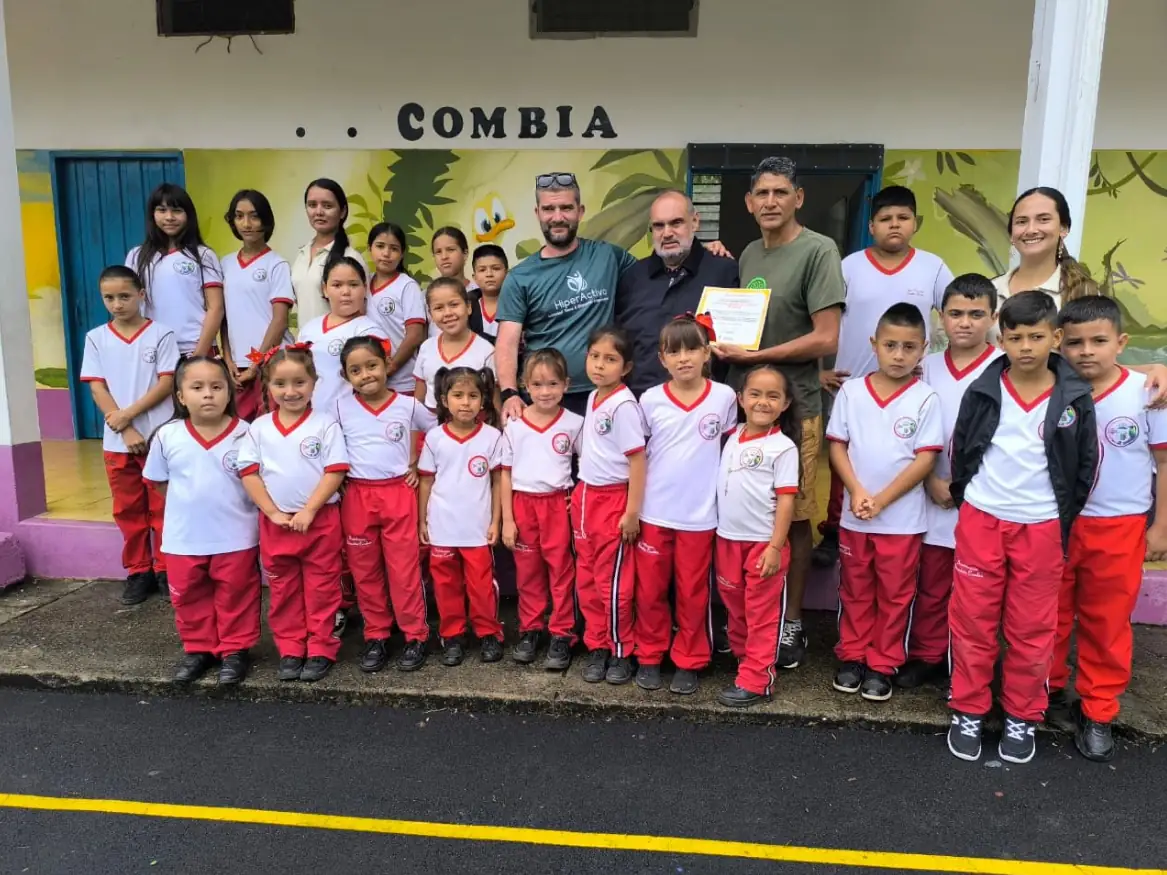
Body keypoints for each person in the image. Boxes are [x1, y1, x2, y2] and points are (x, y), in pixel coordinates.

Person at [947, 291, 1098, 765]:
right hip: (983, 518)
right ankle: (968, 708)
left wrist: (1058, 518)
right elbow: (963, 448)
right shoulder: (983, 389)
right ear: (1001, 339)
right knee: (973, 622)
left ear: (1056, 337)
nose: (1026, 346)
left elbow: (1084, 466)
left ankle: (1021, 715)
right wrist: (968, 498)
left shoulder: (1073, 396)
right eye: (1015, 338)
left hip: (1041, 526)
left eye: (1036, 336)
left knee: (1033, 629)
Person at [712, 156, 846, 671]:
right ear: (749, 203)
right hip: (747, 409)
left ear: (798, 198)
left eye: (779, 192)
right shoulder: (748, 253)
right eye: (761, 194)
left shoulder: (819, 250)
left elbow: (826, 337)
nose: (770, 202)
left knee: (794, 518)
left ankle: (790, 623)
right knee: (744, 506)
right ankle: (749, 617)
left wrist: (755, 359)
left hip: (797, 409)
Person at [1050, 296, 1167, 762]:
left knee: (1106, 621)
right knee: (1049, 616)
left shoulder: (1147, 392)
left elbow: (1163, 461)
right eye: (1074, 342)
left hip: (1119, 526)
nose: (1086, 351)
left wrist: (1160, 526)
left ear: (1121, 343)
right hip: (1057, 524)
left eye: (1099, 341)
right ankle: (1047, 692)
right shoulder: (1052, 387)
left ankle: (1098, 709)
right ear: (1059, 344)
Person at [815, 185, 954, 565]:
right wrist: (820, 371)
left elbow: (957, 313)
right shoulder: (847, 267)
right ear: (871, 226)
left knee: (899, 457)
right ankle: (834, 530)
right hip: (853, 385)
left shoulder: (933, 267)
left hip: (910, 388)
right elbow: (819, 319)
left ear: (915, 223)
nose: (894, 225)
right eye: (885, 219)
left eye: (903, 218)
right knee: (847, 454)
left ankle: (903, 528)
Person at [826, 303, 942, 702]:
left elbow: (925, 458)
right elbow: (838, 447)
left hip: (902, 521)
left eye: (908, 347)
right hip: (856, 517)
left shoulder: (926, 398)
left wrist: (883, 499)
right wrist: (858, 492)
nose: (898, 355)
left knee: (895, 594)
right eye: (890, 345)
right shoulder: (852, 392)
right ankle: (854, 656)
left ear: (923, 348)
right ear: (874, 344)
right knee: (856, 589)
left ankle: (883, 663)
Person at [900, 274, 1000, 690]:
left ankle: (969, 660)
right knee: (932, 582)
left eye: (977, 314)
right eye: (956, 313)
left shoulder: (1005, 368)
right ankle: (927, 655)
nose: (965, 323)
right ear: (940, 317)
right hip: (931, 490)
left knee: (976, 591)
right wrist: (928, 483)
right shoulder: (925, 369)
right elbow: (907, 432)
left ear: (993, 317)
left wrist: (963, 486)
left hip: (982, 497)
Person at [634, 315, 738, 695]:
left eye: (692, 348)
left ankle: (690, 659)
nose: (683, 358)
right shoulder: (650, 399)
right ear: (661, 358)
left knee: (693, 592)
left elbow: (729, 451)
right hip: (655, 512)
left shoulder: (724, 398)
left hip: (699, 515)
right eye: (673, 351)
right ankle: (649, 654)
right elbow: (638, 455)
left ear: (707, 353)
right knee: (650, 590)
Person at [143, 357, 259, 686]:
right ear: (180, 396)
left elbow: (256, 482)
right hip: (184, 539)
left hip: (236, 536)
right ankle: (199, 648)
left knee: (236, 594)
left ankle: (235, 650)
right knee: (189, 595)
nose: (207, 394)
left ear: (229, 393)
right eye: (197, 387)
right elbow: (159, 481)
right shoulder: (167, 435)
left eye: (216, 386)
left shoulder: (247, 434)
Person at [238, 345, 349, 684]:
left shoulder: (325, 423)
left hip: (320, 522)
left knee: (323, 588)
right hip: (277, 526)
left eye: (299, 382)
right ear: (267, 386)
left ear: (314, 383)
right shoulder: (258, 428)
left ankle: (320, 648)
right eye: (280, 384)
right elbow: (249, 472)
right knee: (284, 589)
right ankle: (290, 648)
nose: (290, 392)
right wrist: (271, 512)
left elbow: (335, 471)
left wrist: (309, 509)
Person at [80, 266, 179, 605]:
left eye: (124, 296)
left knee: (162, 506)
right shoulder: (96, 338)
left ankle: (167, 568)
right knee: (128, 509)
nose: (117, 304)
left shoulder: (161, 335)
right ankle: (139, 570)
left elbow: (166, 384)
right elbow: (97, 386)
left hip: (157, 439)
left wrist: (129, 417)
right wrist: (122, 426)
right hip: (118, 441)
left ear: (141, 295)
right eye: (109, 297)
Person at [334, 336, 431, 674]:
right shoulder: (340, 407)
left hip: (398, 493)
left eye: (372, 365)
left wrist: (418, 463)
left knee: (404, 570)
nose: (366, 375)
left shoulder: (408, 406)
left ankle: (415, 635)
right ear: (346, 377)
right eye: (355, 370)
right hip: (358, 496)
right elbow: (330, 444)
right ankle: (376, 634)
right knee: (365, 570)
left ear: (387, 365)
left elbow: (437, 433)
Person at [715, 365, 801, 708]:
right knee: (736, 610)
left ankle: (757, 679)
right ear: (740, 399)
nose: (762, 402)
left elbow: (786, 501)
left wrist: (775, 547)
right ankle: (745, 660)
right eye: (755, 394)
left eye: (772, 396)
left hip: (763, 545)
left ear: (785, 403)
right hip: (727, 541)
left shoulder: (783, 448)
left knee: (761, 615)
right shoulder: (732, 435)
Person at [499, 348, 583, 670]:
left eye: (552, 384)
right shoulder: (515, 425)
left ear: (566, 385)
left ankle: (562, 632)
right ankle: (531, 628)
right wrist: (508, 518)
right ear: (525, 386)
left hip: (556, 504)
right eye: (537, 384)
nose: (545, 392)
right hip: (523, 504)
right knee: (528, 572)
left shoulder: (575, 423)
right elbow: (505, 472)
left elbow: (588, 463)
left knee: (560, 569)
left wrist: (575, 496)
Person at [572, 326, 646, 686]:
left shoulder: (624, 405)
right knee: (587, 578)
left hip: (613, 500)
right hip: (585, 496)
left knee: (614, 582)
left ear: (626, 367)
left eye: (610, 359)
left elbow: (637, 461)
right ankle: (597, 643)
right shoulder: (594, 395)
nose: (600, 365)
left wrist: (631, 513)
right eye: (595, 356)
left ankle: (621, 648)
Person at [418, 366, 505, 667]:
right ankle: (452, 634)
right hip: (442, 527)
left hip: (477, 529)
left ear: (483, 401)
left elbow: (496, 482)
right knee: (446, 585)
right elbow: (426, 482)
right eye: (457, 395)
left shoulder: (492, 437)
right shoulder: (434, 438)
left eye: (473, 396)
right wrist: (421, 522)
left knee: (481, 586)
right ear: (444, 399)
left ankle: (488, 632)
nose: (465, 402)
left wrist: (496, 521)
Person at [614, 191, 738, 397]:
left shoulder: (724, 272)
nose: (667, 233)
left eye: (676, 223)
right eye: (659, 226)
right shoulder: (633, 278)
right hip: (640, 407)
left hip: (704, 410)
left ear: (695, 222)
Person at [126, 183, 224, 357]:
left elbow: (216, 307)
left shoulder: (203, 255)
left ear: (189, 215)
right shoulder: (136, 256)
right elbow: (129, 304)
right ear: (152, 214)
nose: (169, 217)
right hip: (153, 350)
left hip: (195, 349)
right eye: (162, 210)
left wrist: (199, 354)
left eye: (177, 211)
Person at [220, 189, 293, 421]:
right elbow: (223, 317)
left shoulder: (276, 264)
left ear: (266, 220)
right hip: (237, 369)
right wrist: (228, 360)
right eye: (239, 216)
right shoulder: (225, 263)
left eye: (254, 216)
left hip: (271, 363)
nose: (246, 223)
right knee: (240, 432)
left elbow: (279, 320)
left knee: (273, 428)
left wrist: (255, 365)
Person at [296, 257, 387, 412]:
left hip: (352, 418)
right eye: (337, 285)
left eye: (353, 285)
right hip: (311, 419)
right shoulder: (309, 329)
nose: (345, 292)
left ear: (364, 288)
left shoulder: (369, 331)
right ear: (325, 289)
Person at [994, 187, 1097, 309]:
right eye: (1022, 222)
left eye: (1043, 219)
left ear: (1063, 228)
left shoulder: (1085, 294)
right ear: (1011, 234)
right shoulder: (990, 291)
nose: (1031, 230)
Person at [413, 278, 497, 412]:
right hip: (431, 429)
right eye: (439, 308)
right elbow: (418, 401)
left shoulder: (486, 351)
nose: (448, 313)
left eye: (454, 304)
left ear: (468, 307)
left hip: (471, 428)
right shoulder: (426, 348)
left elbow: (494, 404)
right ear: (430, 315)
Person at [366, 222, 427, 396]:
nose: (386, 253)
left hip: (403, 382)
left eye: (393, 248)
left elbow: (415, 335)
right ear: (370, 248)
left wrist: (390, 367)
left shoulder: (407, 285)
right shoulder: (363, 283)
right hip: (370, 380)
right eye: (380, 246)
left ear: (402, 254)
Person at [292, 178, 362, 327]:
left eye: (327, 206)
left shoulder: (349, 257)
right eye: (312, 205)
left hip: (338, 345)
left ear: (342, 211)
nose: (318, 212)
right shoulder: (301, 255)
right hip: (305, 345)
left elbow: (361, 312)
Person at [430, 227, 477, 337]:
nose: (444, 257)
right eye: (438, 252)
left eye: (450, 250)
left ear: (465, 254)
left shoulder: (478, 292)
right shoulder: (426, 295)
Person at [470, 243, 508, 341]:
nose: (489, 274)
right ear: (475, 278)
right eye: (482, 270)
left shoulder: (519, 305)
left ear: (507, 273)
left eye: (496, 268)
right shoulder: (467, 307)